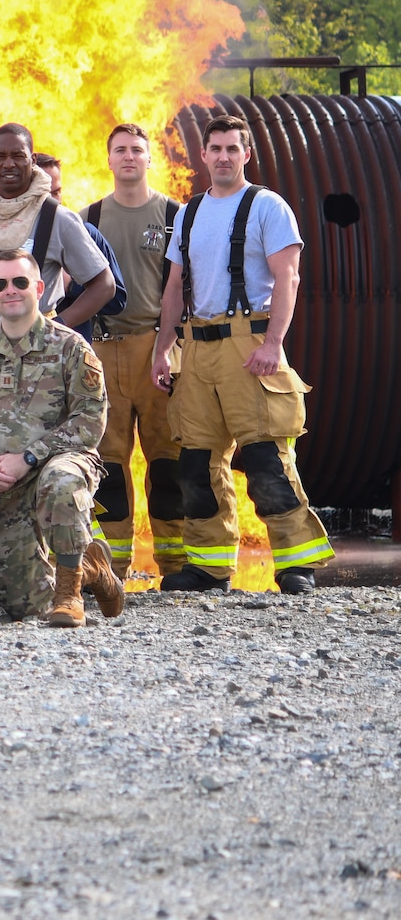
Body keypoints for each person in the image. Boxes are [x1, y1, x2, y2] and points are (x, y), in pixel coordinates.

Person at [153, 115, 333, 595]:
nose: (224, 156)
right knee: (195, 464)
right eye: (216, 148)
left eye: (234, 148)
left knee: (265, 459)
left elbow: (288, 278)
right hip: (195, 350)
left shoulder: (267, 207)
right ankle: (209, 568)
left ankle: (297, 564)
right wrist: (162, 351)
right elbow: (173, 290)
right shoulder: (188, 213)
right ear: (205, 155)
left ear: (246, 154)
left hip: (249, 344)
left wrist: (273, 343)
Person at [81, 124, 235, 582]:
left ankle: (176, 562)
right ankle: (111, 567)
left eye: (137, 150)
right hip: (103, 350)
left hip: (160, 349)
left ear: (150, 160)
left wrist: (173, 346)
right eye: (120, 150)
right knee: (106, 465)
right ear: (108, 160)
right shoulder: (86, 218)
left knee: (169, 460)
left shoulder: (178, 215)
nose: (129, 157)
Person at [0, 250, 126, 625]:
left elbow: (90, 419)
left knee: (60, 482)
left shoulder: (71, 347)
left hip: (61, 464)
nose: (10, 291)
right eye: (0, 284)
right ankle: (94, 570)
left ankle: (69, 595)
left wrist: (29, 458)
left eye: (20, 282)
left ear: (39, 288)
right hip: (1, 482)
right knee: (23, 604)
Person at [0, 124, 115, 342]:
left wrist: (57, 327)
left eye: (18, 155)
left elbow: (105, 284)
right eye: (0, 156)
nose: (8, 164)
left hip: (42, 351)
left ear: (32, 160)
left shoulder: (57, 218)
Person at [32, 152, 130, 342]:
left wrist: (72, 284)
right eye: (44, 192)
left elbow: (117, 300)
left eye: (56, 192)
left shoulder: (85, 234)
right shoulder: (8, 237)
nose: (52, 200)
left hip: (72, 355)